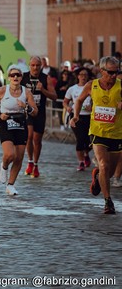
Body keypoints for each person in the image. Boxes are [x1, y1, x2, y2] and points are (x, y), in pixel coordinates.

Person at [70, 56, 121, 214]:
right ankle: (108, 201)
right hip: (97, 131)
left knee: (109, 171)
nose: (114, 75)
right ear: (101, 71)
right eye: (111, 72)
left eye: (117, 72)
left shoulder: (121, 86)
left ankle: (98, 175)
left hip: (117, 133)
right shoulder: (92, 85)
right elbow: (78, 101)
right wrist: (76, 116)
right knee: (104, 164)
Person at [0, 65, 38, 196]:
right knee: (10, 154)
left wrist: (26, 106)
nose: (15, 77)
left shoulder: (26, 92)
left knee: (19, 157)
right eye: (13, 75)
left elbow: (35, 111)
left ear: (21, 77)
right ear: (9, 78)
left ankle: (10, 185)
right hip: (6, 122)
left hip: (21, 123)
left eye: (18, 75)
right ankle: (4, 167)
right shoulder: (3, 90)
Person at [21, 56, 57, 178]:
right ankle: (30, 161)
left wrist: (43, 90)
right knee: (29, 135)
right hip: (27, 111)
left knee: (37, 139)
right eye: (33, 65)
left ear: (41, 66)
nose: (35, 67)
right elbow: (14, 91)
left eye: (37, 65)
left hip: (40, 112)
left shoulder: (46, 79)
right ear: (29, 65)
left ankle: (35, 164)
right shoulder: (23, 77)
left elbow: (54, 97)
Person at [63, 67, 93, 171]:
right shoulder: (72, 89)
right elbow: (65, 101)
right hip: (76, 117)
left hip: (89, 116)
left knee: (89, 141)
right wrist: (67, 107)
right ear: (78, 76)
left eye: (85, 75)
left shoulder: (92, 87)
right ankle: (81, 162)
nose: (83, 77)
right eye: (81, 74)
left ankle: (86, 154)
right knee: (80, 139)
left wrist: (92, 107)